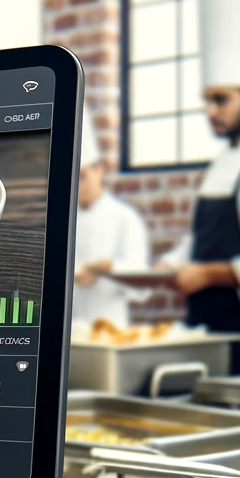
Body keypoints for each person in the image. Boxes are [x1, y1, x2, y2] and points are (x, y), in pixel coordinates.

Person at [159, 0, 240, 374]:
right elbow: (203, 241)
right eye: (207, 100)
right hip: (205, 330)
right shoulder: (221, 162)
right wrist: (170, 264)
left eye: (221, 99)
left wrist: (207, 274)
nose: (211, 111)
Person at [72, 108, 151, 327]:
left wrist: (110, 268)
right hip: (68, 329)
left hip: (110, 327)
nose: (77, 187)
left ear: (100, 169)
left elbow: (142, 288)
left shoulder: (124, 217)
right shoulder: (64, 222)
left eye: (83, 177)